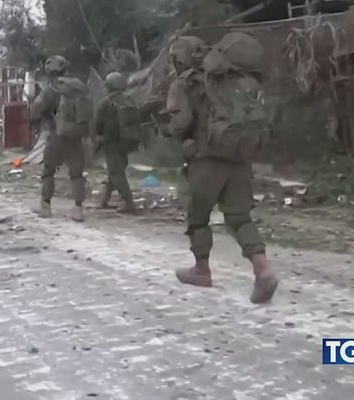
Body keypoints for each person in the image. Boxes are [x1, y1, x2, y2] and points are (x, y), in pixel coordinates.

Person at [165, 34, 278, 304]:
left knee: (198, 217)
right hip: (239, 158)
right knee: (240, 218)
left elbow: (181, 123)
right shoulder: (238, 80)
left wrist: (172, 132)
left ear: (180, 58)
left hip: (206, 160)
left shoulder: (186, 83)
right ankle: (263, 270)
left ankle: (201, 269)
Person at [31, 55, 93, 222]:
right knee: (76, 174)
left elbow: (36, 109)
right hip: (76, 135)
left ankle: (45, 206)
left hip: (57, 135)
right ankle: (78, 209)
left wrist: (43, 120)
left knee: (49, 171)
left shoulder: (52, 88)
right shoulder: (78, 86)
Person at [94, 72, 139, 213]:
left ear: (109, 85)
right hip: (128, 142)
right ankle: (105, 200)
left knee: (116, 172)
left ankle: (128, 202)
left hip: (112, 141)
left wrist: (97, 139)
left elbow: (97, 124)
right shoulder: (129, 100)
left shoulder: (106, 102)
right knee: (115, 171)